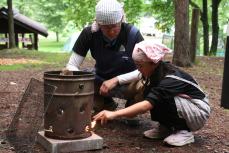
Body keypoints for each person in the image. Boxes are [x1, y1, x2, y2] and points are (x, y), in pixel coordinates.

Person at [93, 40, 211, 146]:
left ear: (153, 63)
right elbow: (137, 76)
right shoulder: (155, 72)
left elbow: (146, 105)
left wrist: (113, 114)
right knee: (149, 90)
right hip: (187, 107)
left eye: (140, 65)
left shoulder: (170, 78)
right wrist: (115, 80)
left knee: (161, 97)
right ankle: (166, 127)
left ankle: (184, 131)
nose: (138, 69)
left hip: (198, 111)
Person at [65, 0, 144, 112]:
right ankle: (106, 103)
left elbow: (145, 70)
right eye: (106, 27)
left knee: (147, 84)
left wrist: (116, 80)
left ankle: (131, 110)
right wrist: (81, 81)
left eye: (114, 26)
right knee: (71, 75)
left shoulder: (133, 34)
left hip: (129, 82)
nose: (111, 32)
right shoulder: (89, 34)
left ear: (121, 19)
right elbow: (71, 65)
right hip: (100, 81)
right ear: (98, 23)